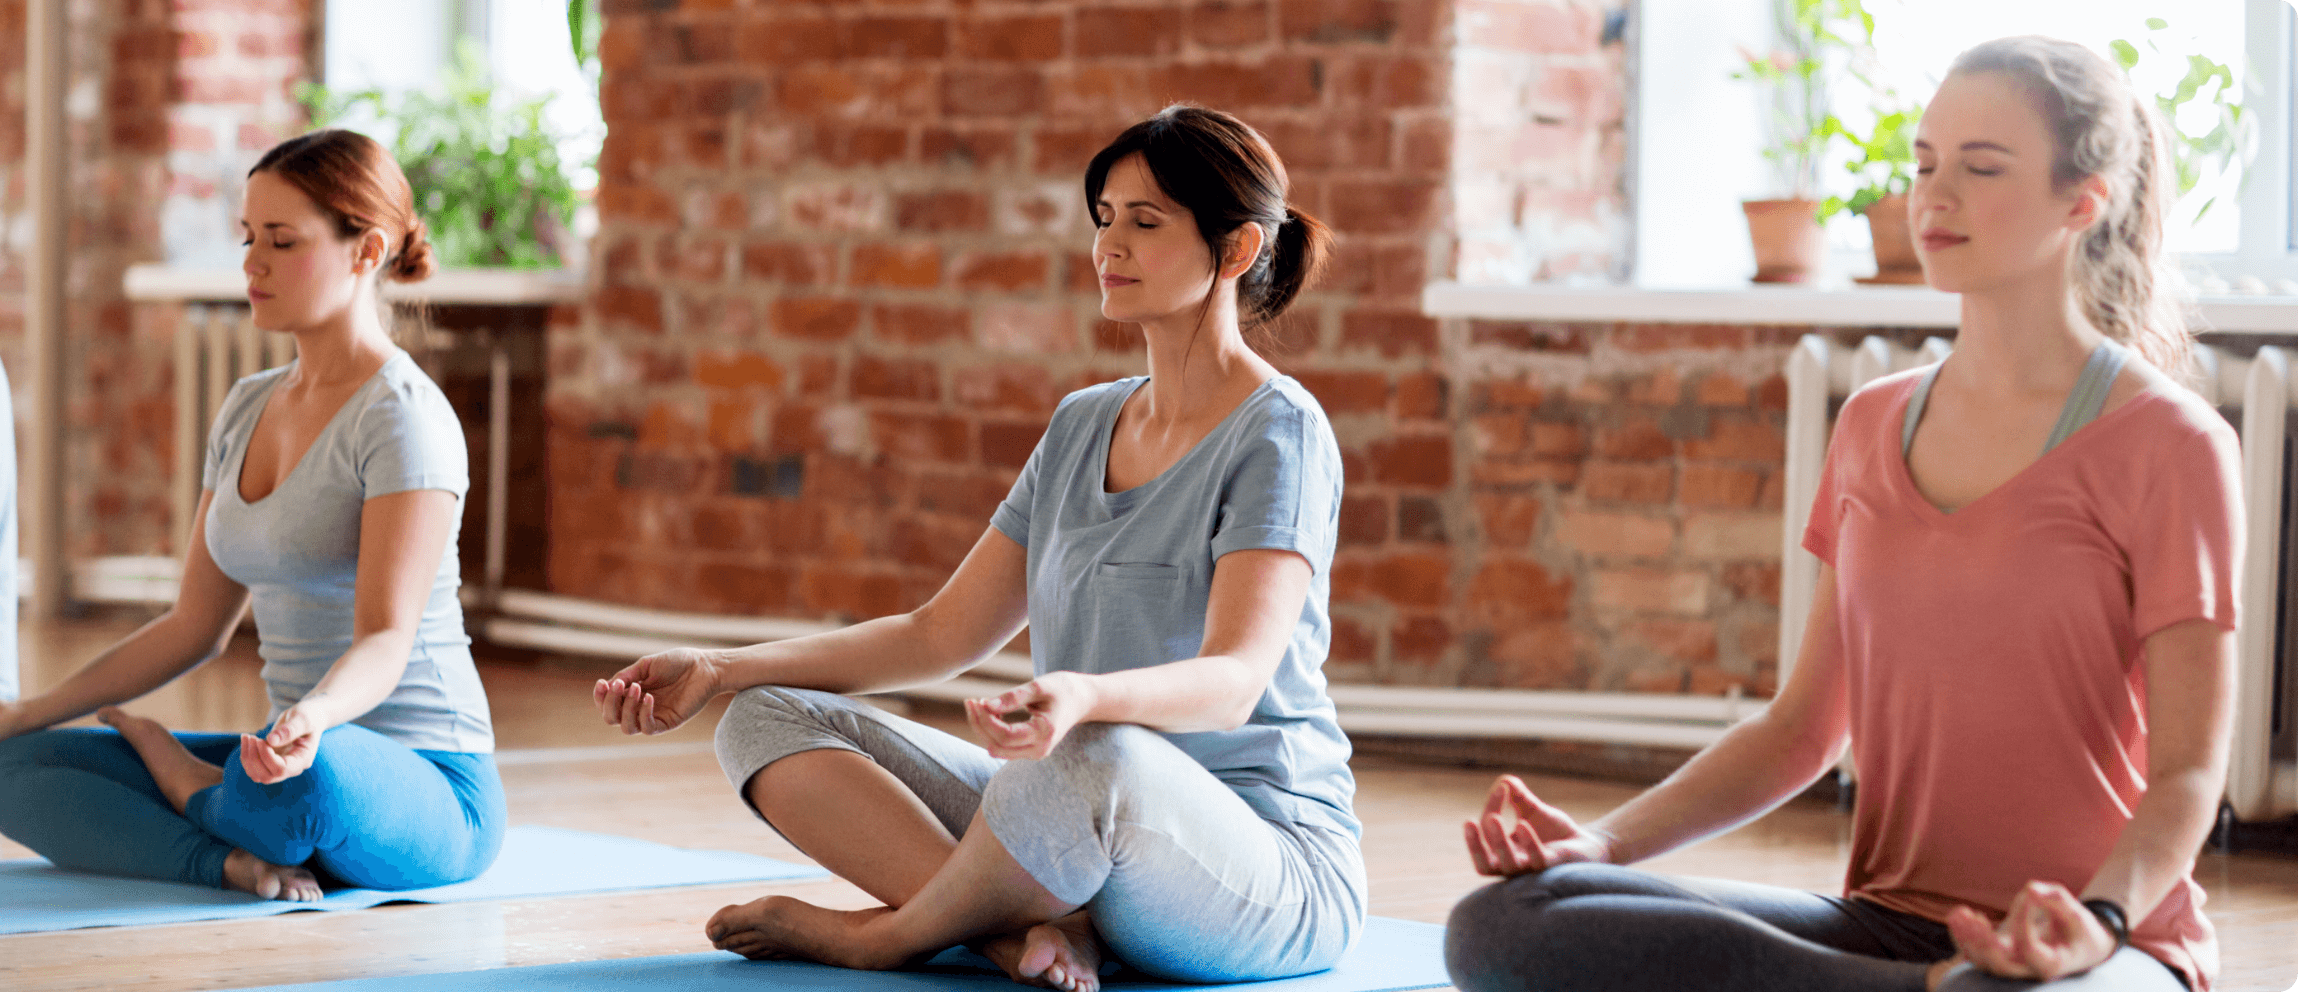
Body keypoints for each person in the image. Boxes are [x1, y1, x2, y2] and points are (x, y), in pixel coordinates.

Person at [1443, 36, 2235, 992]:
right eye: (1925, 164)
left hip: (2107, 948)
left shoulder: (2169, 440)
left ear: (2084, 201)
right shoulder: (1870, 422)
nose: (1932, 199)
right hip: (1889, 924)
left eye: (1981, 168)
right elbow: (1800, 731)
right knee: (1505, 922)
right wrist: (1602, 844)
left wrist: (2099, 922)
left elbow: (2190, 773)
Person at [591, 105, 1359, 992]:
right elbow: (936, 635)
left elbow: (1233, 683)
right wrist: (722, 668)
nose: (1110, 245)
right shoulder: (1082, 424)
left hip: (1261, 875)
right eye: (1104, 219)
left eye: (1146, 224)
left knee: (1086, 755)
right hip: (1074, 826)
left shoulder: (1281, 433)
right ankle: (1019, 937)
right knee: (768, 714)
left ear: (1234, 250)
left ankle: (888, 936)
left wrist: (1082, 695)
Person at [0, 129, 504, 901]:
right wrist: (30, 710)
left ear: (365, 251)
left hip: (426, 780)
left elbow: (386, 637)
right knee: (13, 768)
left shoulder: (403, 419)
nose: (251, 263)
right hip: (277, 759)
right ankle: (230, 860)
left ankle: (187, 788)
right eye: (248, 237)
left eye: (281, 240)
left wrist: (315, 717)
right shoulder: (246, 406)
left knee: (311, 784)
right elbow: (192, 626)